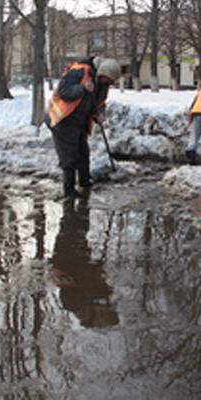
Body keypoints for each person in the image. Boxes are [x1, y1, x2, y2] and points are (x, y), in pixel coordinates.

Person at [46, 56, 121, 199]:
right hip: (61, 119)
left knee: (83, 152)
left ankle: (85, 182)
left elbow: (99, 102)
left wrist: (99, 114)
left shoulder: (102, 84)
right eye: (107, 81)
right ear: (102, 73)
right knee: (69, 157)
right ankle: (69, 192)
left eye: (110, 83)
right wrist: (82, 88)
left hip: (77, 121)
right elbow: (64, 91)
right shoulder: (79, 71)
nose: (108, 84)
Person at [49, 192, 119, 328]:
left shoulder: (73, 303)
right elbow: (90, 283)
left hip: (67, 255)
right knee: (78, 224)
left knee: (72, 224)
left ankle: (74, 199)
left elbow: (83, 283)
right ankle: (79, 199)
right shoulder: (83, 302)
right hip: (73, 255)